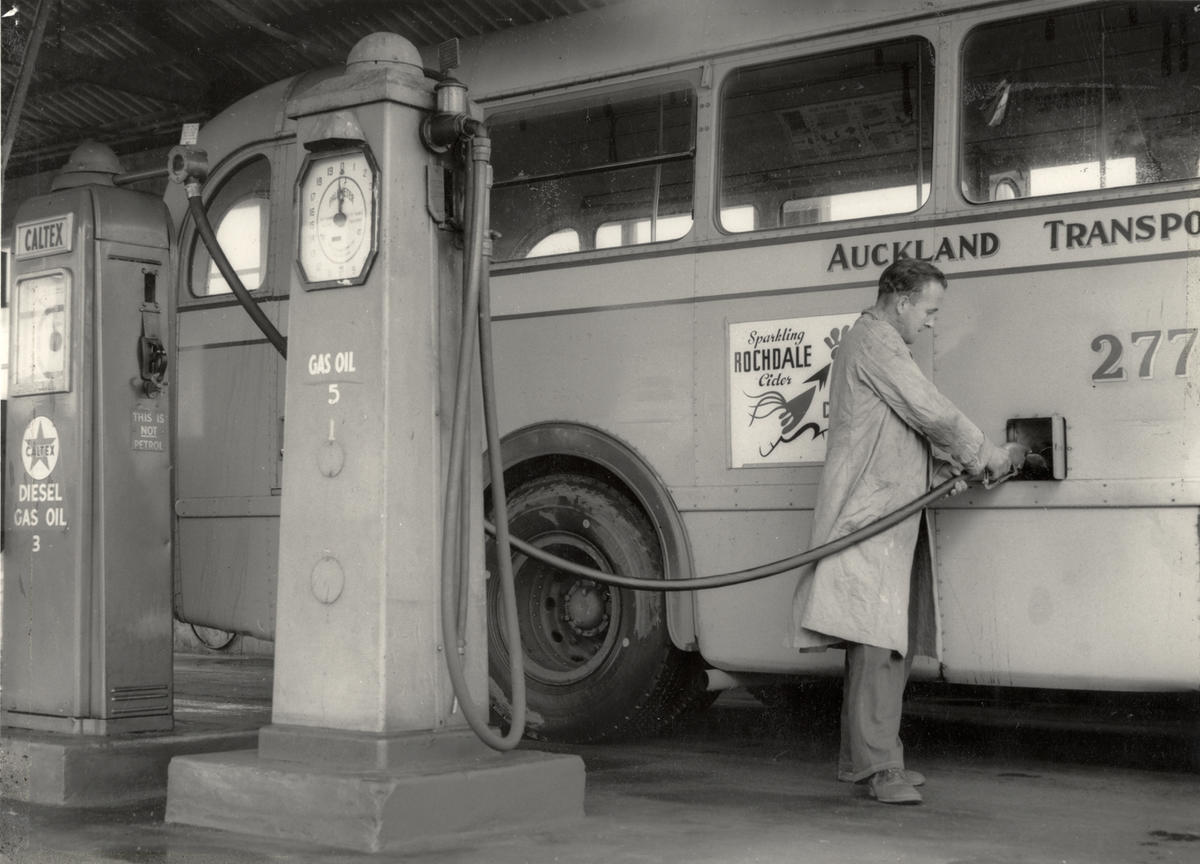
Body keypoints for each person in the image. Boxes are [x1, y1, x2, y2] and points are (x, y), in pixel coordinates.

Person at [791, 257, 1025, 805]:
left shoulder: (880, 344)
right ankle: (879, 769)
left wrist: (962, 467)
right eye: (929, 309)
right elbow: (931, 414)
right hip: (869, 516)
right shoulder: (875, 343)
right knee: (877, 639)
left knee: (888, 638)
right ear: (901, 302)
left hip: (889, 513)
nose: (933, 322)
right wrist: (986, 455)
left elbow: (909, 432)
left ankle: (869, 759)